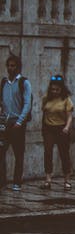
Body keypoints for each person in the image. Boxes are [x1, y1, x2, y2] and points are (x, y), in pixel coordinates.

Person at [1, 55, 32, 191]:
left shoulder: (24, 82)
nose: (10, 68)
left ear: (18, 67)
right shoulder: (4, 82)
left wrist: (20, 121)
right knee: (1, 152)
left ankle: (17, 182)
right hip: (5, 123)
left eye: (13, 66)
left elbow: (27, 103)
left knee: (18, 153)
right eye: (9, 65)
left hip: (17, 123)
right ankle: (2, 181)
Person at [41, 75, 75, 190]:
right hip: (48, 128)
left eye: (57, 89)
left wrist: (66, 127)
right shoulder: (46, 98)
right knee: (48, 152)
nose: (54, 91)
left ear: (62, 89)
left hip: (61, 128)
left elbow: (70, 116)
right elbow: (44, 112)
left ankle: (67, 180)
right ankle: (48, 179)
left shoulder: (66, 99)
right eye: (53, 89)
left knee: (64, 154)